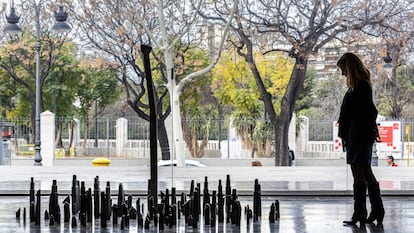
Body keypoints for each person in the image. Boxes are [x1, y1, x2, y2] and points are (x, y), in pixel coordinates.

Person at [337, 52, 384, 226]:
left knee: (359, 173)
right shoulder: (360, 86)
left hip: (358, 136)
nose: (342, 74)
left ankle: (360, 213)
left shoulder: (360, 88)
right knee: (365, 172)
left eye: (343, 70)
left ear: (350, 68)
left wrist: (357, 131)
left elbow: (370, 112)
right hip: (358, 135)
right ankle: (376, 210)